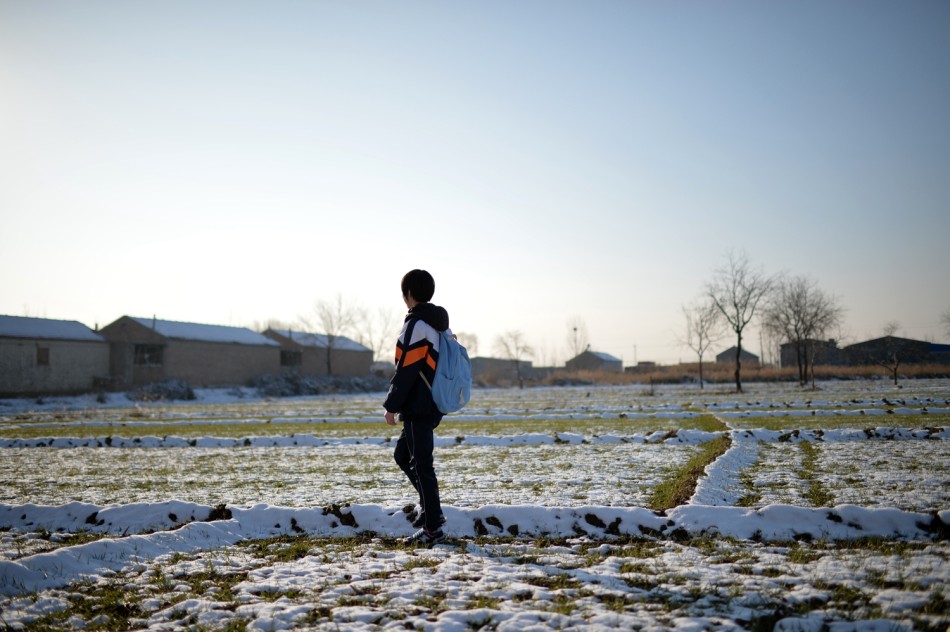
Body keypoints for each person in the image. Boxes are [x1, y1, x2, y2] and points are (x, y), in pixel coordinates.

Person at [383, 269, 450, 547]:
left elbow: (407, 370)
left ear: (408, 294)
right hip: (433, 402)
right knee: (403, 454)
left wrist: (391, 405)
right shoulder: (439, 323)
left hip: (418, 404)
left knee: (422, 465)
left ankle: (433, 527)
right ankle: (430, 511)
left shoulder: (417, 325)